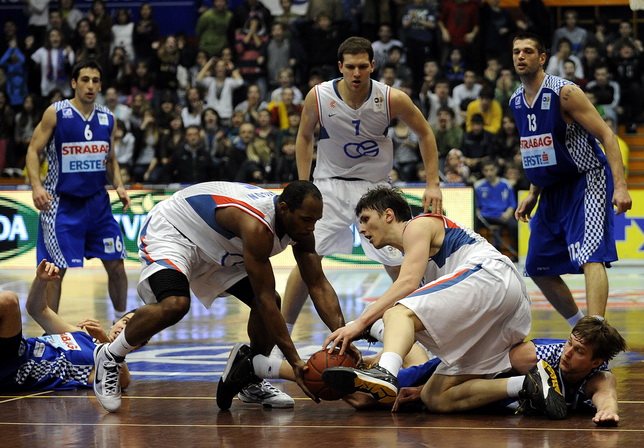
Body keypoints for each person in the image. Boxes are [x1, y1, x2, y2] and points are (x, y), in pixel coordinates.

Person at [91, 181, 346, 413]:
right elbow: (264, 297)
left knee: (270, 303)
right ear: (284, 208)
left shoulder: (301, 229)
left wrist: (342, 334)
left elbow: (318, 283)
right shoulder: (256, 225)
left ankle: (250, 378)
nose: (311, 227)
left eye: (316, 220)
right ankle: (111, 354)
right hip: (176, 231)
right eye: (306, 219)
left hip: (219, 246)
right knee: (175, 304)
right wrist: (294, 361)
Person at [317, 187, 568, 420]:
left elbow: (406, 284)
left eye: (365, 219)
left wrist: (359, 324)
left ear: (389, 215)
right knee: (436, 396)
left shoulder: (417, 225)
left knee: (398, 312)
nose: (361, 229)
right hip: (497, 313)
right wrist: (364, 335)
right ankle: (530, 384)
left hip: (490, 277)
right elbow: (406, 328)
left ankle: (385, 372)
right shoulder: (417, 260)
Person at [279, 36, 443, 344]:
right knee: (307, 259)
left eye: (363, 67)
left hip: (375, 190)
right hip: (329, 185)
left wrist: (433, 183)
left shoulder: (392, 98)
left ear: (372, 66)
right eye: (351, 67)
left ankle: (430, 337)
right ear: (340, 67)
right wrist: (304, 185)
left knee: (401, 266)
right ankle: (282, 336)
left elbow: (425, 133)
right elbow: (304, 137)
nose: (357, 73)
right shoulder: (319, 96)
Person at [510, 33, 632, 323]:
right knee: (537, 266)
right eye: (516, 51)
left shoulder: (564, 92)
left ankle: (595, 331)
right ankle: (580, 327)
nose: (520, 56)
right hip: (551, 187)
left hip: (586, 180)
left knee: (591, 255)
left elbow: (607, 135)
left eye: (528, 51)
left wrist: (621, 186)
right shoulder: (516, 100)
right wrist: (533, 193)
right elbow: (537, 150)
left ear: (542, 58)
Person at [25, 59, 130, 322]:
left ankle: (121, 323)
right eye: (85, 80)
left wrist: (119, 185)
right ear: (74, 83)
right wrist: (36, 186)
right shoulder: (56, 112)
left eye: (95, 81)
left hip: (98, 204)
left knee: (117, 265)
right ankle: (52, 334)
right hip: (61, 203)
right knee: (55, 271)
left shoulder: (108, 118)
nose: (90, 85)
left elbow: (111, 160)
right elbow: (33, 150)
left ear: (100, 85)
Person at [392, 316, 626, 425]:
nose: (568, 353)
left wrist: (607, 413)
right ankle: (381, 338)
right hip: (469, 364)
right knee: (386, 389)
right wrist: (426, 388)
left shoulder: (599, 377)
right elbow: (482, 364)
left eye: (579, 351)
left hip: (483, 394)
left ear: (596, 362)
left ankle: (409, 352)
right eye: (569, 343)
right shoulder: (538, 356)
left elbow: (607, 398)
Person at [1, 260, 138, 392]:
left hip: (16, 371)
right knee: (8, 302)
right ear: (115, 323)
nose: (123, 328)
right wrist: (40, 280)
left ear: (136, 345)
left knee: (8, 300)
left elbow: (122, 382)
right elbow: (37, 310)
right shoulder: (81, 335)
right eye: (125, 322)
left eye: (132, 328)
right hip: (18, 349)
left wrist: (105, 342)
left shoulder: (103, 364)